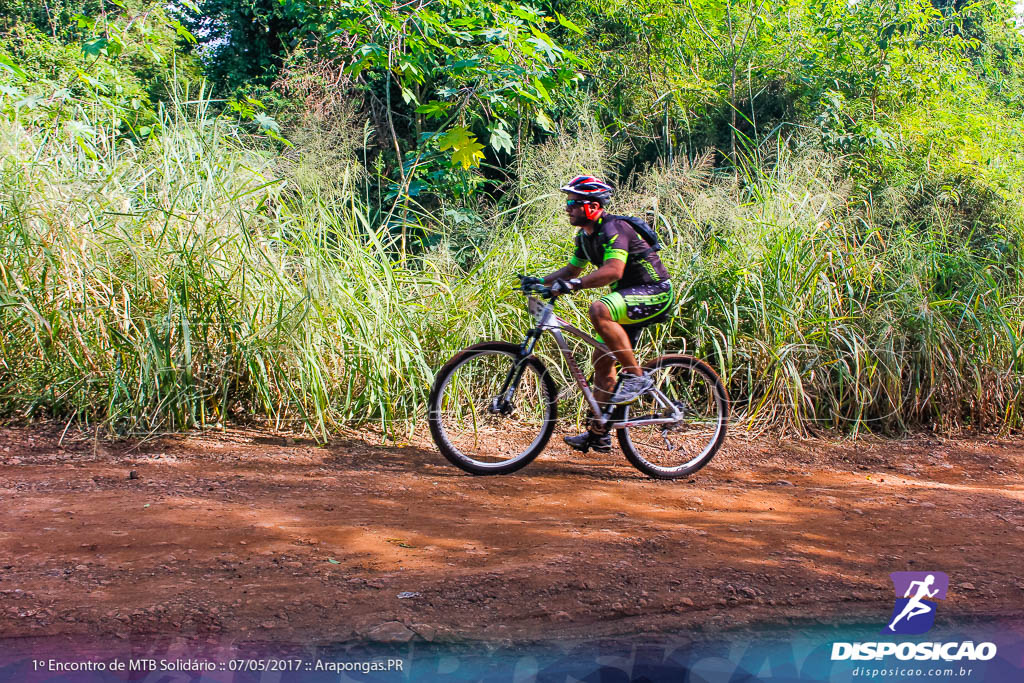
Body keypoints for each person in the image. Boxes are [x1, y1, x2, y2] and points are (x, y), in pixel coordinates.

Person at [536, 175, 674, 453]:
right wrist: (540, 282)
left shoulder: (614, 228)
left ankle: (636, 376)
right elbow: (571, 271)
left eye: (573, 203)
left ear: (592, 206)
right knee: (602, 361)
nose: (568, 208)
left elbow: (613, 271)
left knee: (599, 308)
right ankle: (600, 433)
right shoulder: (585, 238)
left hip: (654, 291)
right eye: (568, 202)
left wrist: (573, 286)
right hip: (629, 299)